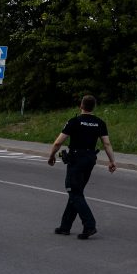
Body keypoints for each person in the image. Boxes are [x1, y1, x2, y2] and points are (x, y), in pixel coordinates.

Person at [47, 94, 117, 239]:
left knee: (74, 192)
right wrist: (112, 161)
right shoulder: (100, 122)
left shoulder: (75, 121)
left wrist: (52, 155)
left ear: (81, 106)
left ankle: (89, 225)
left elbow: (58, 143)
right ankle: (65, 226)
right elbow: (107, 144)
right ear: (93, 107)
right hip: (90, 159)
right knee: (76, 191)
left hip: (76, 159)